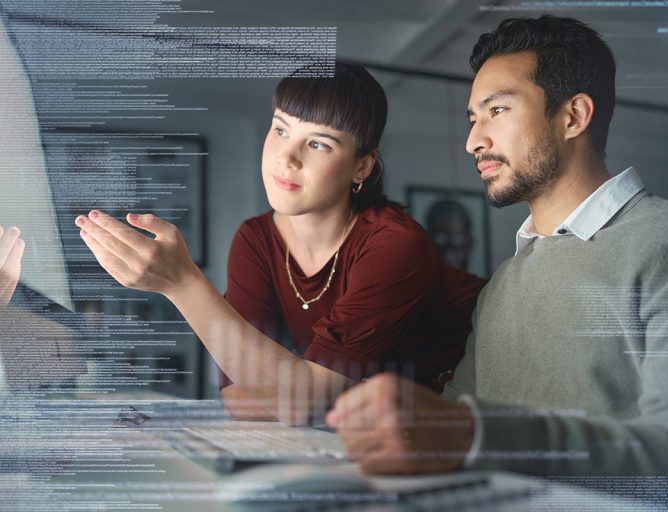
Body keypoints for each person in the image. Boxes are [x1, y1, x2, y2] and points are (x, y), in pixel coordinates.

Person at [326, 15, 668, 477]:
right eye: (474, 119)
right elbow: (453, 421)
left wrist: (477, 435)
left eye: (497, 111)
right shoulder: (502, 285)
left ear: (573, 116)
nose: (473, 141)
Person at [75, 63, 486, 425]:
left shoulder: (395, 244)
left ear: (362, 165)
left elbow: (296, 402)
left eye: (319, 143)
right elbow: (241, 394)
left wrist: (181, 283)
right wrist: (307, 389)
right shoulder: (255, 239)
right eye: (281, 129)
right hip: (384, 433)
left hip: (480, 410)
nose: (286, 158)